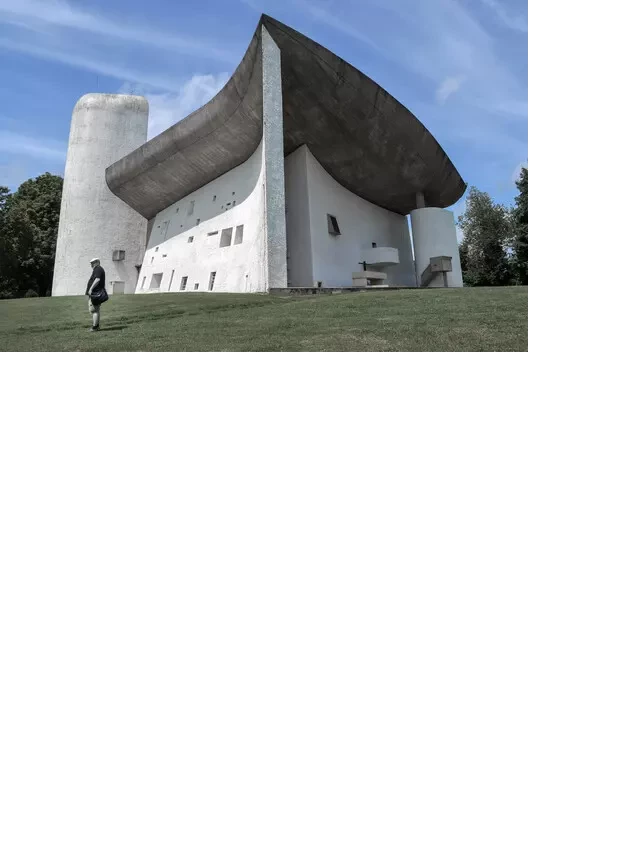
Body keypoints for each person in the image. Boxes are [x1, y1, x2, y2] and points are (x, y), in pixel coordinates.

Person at [85, 257, 108, 331]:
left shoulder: (98, 269)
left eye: (93, 263)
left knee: (94, 310)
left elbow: (97, 279)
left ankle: (95, 327)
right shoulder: (97, 269)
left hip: (95, 293)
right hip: (95, 293)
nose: (91, 264)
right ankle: (96, 326)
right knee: (96, 310)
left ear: (97, 262)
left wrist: (91, 289)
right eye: (91, 263)